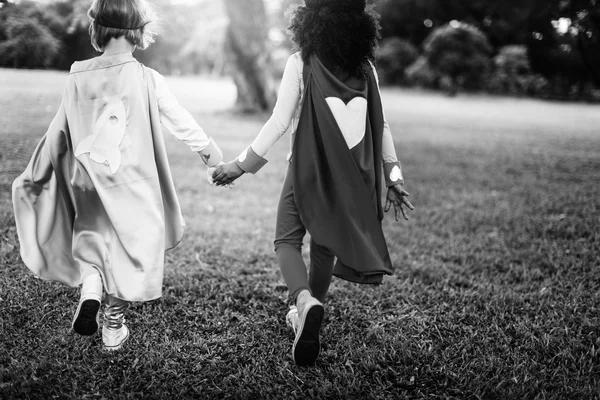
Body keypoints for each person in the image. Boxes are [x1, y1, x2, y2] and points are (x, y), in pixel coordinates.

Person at [12, 0, 223, 351]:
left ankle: (91, 288)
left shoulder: (78, 73)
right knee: (133, 247)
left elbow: (58, 131)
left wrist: (39, 171)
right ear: (140, 32)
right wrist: (211, 156)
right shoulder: (146, 78)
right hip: (134, 185)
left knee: (94, 238)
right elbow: (179, 119)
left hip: (89, 181)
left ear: (97, 30)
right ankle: (112, 326)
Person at [212, 0, 414, 366]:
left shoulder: (300, 63)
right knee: (324, 248)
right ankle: (310, 313)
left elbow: (279, 121)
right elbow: (380, 125)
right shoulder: (366, 68)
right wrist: (394, 176)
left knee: (287, 238)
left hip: (305, 170)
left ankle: (303, 301)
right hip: (351, 177)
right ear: (360, 24)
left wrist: (241, 165)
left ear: (309, 20)